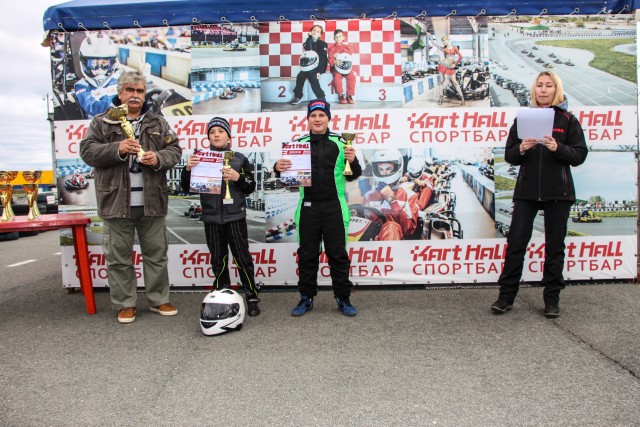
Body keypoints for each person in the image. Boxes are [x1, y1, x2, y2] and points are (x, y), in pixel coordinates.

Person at [79, 71, 182, 324]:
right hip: (115, 203)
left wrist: (158, 158)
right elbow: (87, 151)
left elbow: (174, 150)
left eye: (140, 91)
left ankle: (159, 299)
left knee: (156, 256)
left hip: (152, 201)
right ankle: (125, 303)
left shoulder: (158, 122)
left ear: (145, 94)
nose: (135, 95)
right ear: (120, 92)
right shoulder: (101, 121)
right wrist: (118, 148)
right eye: (130, 90)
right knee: (118, 259)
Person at [491, 71, 588, 318]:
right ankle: (505, 297)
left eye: (549, 86)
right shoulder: (523, 118)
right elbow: (510, 155)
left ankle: (551, 299)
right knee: (516, 244)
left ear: (557, 89)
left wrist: (558, 147)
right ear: (534, 90)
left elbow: (579, 155)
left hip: (559, 193)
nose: (543, 90)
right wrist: (521, 148)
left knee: (555, 248)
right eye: (540, 85)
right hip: (527, 192)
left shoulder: (568, 120)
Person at [274, 99, 362, 316]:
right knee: (307, 255)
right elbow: (285, 173)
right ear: (308, 119)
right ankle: (306, 298)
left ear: (328, 118)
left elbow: (353, 175)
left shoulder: (341, 143)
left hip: (334, 206)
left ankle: (343, 298)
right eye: (313, 115)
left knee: (338, 255)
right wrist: (277, 167)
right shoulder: (298, 144)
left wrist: (353, 160)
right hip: (308, 207)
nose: (317, 119)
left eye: (322, 115)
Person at [180, 117, 261, 316]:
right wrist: (188, 169)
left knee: (243, 259)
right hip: (211, 218)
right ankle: (223, 296)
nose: (216, 135)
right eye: (212, 132)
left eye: (220, 131)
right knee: (218, 260)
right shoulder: (199, 158)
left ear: (229, 136)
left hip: (235, 218)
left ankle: (251, 296)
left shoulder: (240, 158)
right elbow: (186, 187)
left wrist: (237, 177)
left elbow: (250, 186)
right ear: (208, 137)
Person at [361, 149, 421, 240]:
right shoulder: (368, 195)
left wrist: (393, 202)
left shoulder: (410, 195)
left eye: (388, 169)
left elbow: (409, 230)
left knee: (391, 227)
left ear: (398, 168)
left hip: (396, 241)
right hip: (371, 240)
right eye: (381, 169)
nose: (384, 173)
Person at [74, 33, 122, 118]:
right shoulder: (81, 86)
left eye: (104, 63)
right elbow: (93, 108)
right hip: (97, 124)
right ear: (85, 63)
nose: (99, 68)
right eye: (94, 63)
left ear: (111, 63)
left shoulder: (118, 80)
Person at [291, 25, 328, 105]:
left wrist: (320, 71)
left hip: (316, 67)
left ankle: (321, 97)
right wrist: (310, 37)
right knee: (300, 77)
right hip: (307, 66)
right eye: (314, 30)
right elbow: (309, 49)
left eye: (318, 31)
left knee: (313, 79)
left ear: (320, 35)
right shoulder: (307, 42)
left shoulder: (323, 44)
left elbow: (323, 58)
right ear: (310, 32)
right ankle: (298, 96)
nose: (315, 32)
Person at [328, 29, 356, 104]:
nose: (338, 39)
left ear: (343, 37)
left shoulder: (347, 47)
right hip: (336, 68)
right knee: (337, 77)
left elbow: (349, 53)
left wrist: (339, 54)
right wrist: (335, 61)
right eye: (336, 37)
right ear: (334, 38)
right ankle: (340, 95)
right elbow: (330, 58)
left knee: (352, 77)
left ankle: (349, 95)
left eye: (340, 37)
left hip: (346, 67)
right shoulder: (331, 48)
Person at [437, 35, 464, 106]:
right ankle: (441, 98)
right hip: (443, 65)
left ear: (448, 40)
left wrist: (455, 64)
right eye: (442, 41)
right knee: (442, 82)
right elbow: (435, 45)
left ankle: (462, 97)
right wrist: (430, 36)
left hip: (451, 66)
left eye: (444, 40)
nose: (443, 42)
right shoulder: (444, 49)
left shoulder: (454, 48)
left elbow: (461, 56)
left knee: (455, 82)